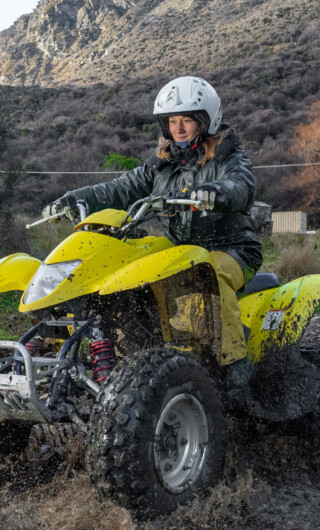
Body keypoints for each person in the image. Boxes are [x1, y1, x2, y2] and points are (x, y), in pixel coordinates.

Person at [42, 76, 261, 364]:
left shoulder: (228, 155)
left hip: (231, 248)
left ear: (206, 121)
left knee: (208, 275)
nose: (178, 129)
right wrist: (76, 198)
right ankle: (132, 356)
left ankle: (233, 366)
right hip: (179, 249)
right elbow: (121, 187)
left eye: (187, 120)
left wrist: (216, 192)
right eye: (172, 121)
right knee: (129, 273)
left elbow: (242, 184)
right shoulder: (162, 163)